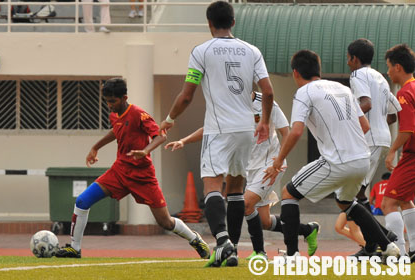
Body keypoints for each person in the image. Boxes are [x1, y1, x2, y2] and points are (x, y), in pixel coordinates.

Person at [160, 1, 274, 267]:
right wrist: (264, 121)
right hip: (246, 128)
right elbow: (268, 91)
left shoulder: (201, 51)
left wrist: (169, 119)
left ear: (209, 23)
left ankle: (222, 243)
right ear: (233, 22)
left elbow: (187, 95)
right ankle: (231, 248)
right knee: (235, 189)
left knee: (212, 186)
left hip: (219, 128)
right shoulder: (252, 50)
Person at [263, 50, 400, 259]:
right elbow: (364, 125)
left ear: (295, 73)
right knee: (346, 202)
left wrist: (279, 160)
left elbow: (296, 131)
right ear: (319, 70)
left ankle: (292, 255)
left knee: (289, 194)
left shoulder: (304, 92)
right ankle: (388, 246)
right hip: (362, 158)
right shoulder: (342, 88)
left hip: (337, 161)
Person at [55, 78, 210, 259]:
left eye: (112, 101)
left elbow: (160, 136)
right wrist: (96, 147)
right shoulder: (114, 115)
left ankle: (194, 239)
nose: (109, 105)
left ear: (124, 98)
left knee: (165, 222)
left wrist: (145, 151)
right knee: (82, 201)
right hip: (119, 171)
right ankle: (75, 248)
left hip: (142, 176)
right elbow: (116, 130)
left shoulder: (138, 114)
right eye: (107, 101)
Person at [165, 91, 320, 260]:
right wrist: (183, 141)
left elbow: (286, 132)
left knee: (246, 204)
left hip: (269, 165)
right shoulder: (230, 105)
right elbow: (211, 129)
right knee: (264, 221)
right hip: (249, 167)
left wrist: (278, 162)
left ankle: (260, 252)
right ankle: (307, 230)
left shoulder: (267, 103)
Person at [345, 38, 401, 257]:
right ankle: (373, 242)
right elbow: (393, 113)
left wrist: (345, 122)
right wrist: (378, 123)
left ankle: (382, 239)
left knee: (349, 193)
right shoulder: (381, 77)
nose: (348, 63)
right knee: (357, 192)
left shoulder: (358, 75)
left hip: (367, 139)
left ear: (354, 58)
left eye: (348, 59)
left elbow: (365, 103)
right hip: (381, 138)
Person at [382, 44, 415, 262]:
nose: (388, 72)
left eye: (389, 68)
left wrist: (392, 151)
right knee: (404, 201)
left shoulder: (404, 93)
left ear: (398, 67)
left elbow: (408, 129)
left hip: (412, 155)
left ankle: (400, 252)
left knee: (388, 203)